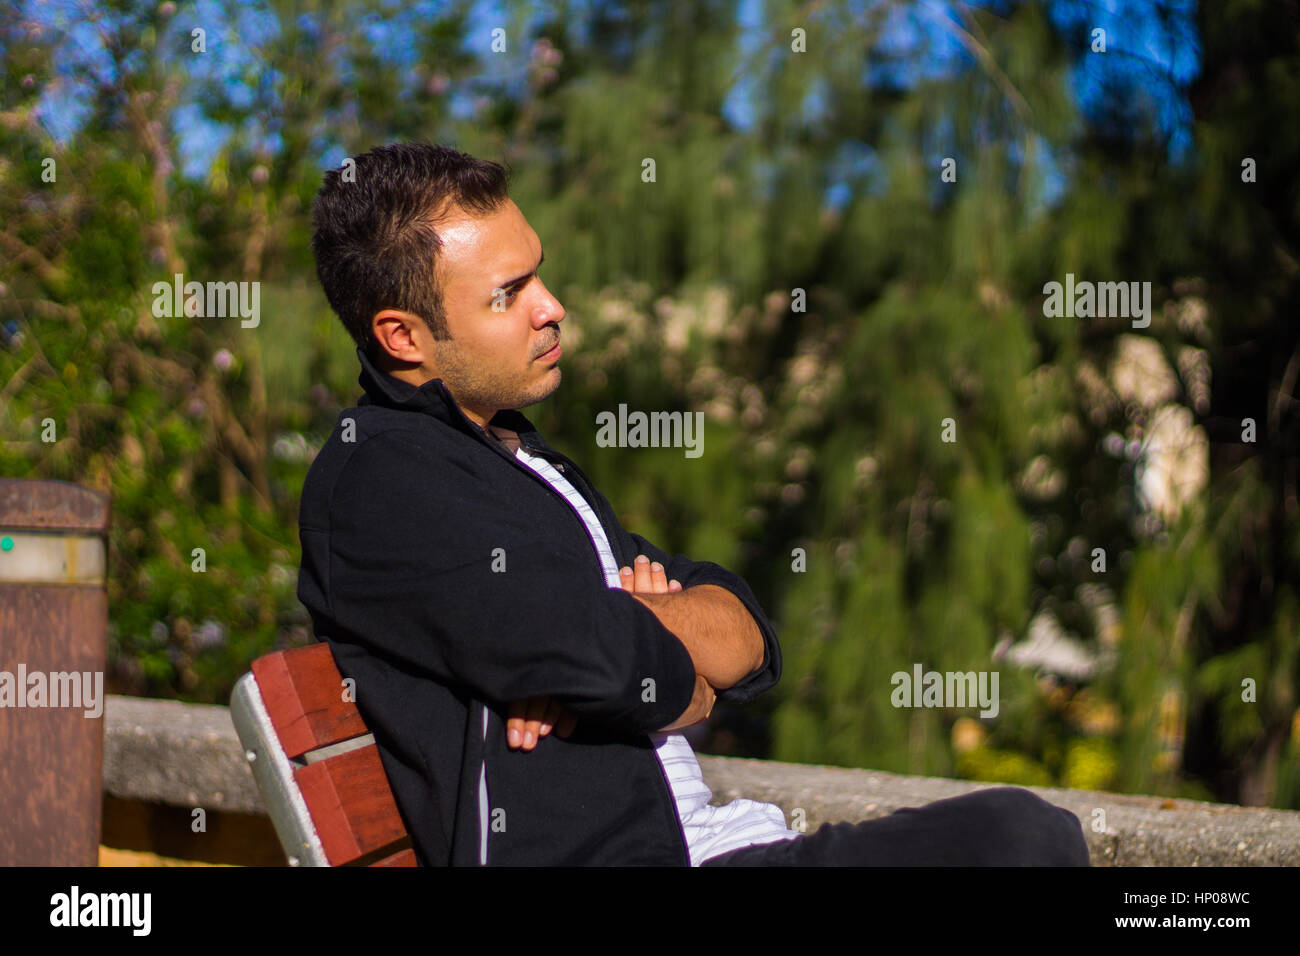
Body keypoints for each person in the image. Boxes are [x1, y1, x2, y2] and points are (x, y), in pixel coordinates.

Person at [298, 141, 1091, 867]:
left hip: (716, 842)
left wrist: (633, 638)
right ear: (403, 336)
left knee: (1028, 832)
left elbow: (747, 631)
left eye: (538, 273)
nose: (553, 305)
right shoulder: (380, 484)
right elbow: (610, 662)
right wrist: (660, 667)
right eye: (509, 295)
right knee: (1019, 845)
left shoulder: (522, 459)